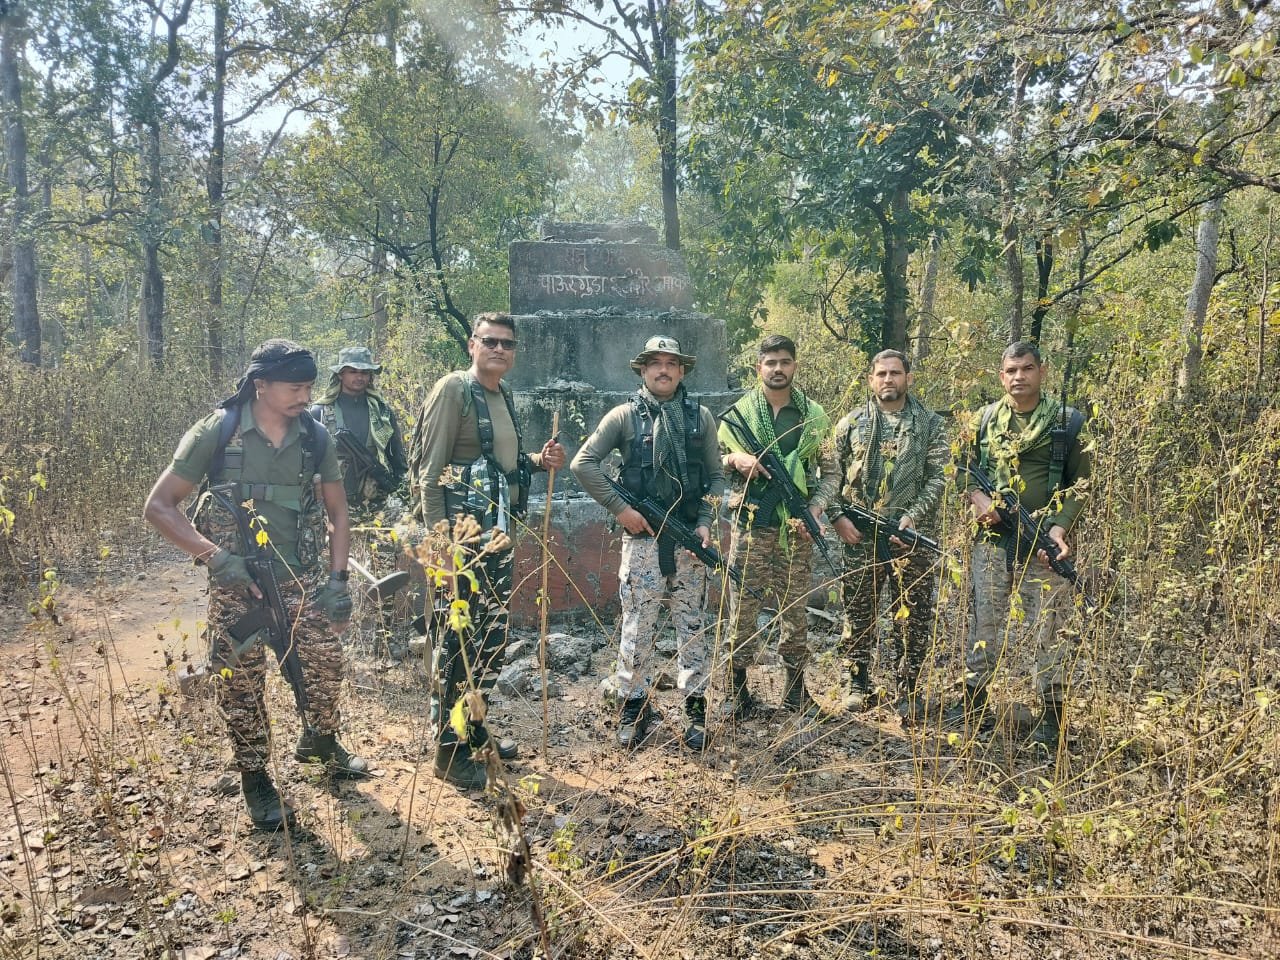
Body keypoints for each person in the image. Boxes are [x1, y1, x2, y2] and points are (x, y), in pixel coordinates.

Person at [144, 339, 369, 833]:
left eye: (309, 386)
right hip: (238, 586)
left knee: (325, 667)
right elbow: (159, 507)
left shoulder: (314, 437)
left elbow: (337, 512)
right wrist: (217, 558)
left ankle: (321, 744)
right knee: (242, 684)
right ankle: (256, 779)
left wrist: (337, 580)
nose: (304, 395)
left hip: (300, 579)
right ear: (260, 385)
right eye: (294, 386)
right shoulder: (217, 433)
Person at [407, 313, 565, 789]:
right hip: (461, 542)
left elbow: (505, 465)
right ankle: (449, 752)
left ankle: (473, 729)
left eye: (507, 344)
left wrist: (540, 461)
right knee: (458, 644)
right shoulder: (454, 390)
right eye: (490, 341)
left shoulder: (501, 394)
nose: (499, 350)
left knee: (489, 642)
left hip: (495, 537)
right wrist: (441, 550)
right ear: (472, 345)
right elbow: (429, 476)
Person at [571, 335, 725, 751]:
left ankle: (694, 711)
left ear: (681, 370)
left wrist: (707, 521)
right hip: (641, 543)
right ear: (642, 370)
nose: (663, 369)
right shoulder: (624, 416)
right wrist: (621, 509)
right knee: (637, 628)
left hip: (690, 540)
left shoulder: (701, 418)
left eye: (671, 363)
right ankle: (633, 707)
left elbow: (716, 477)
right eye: (654, 363)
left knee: (691, 628)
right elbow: (583, 464)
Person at [944, 340, 1092, 753]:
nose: (1019, 377)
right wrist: (980, 501)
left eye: (1027, 369)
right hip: (993, 539)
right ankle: (974, 706)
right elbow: (961, 469)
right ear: (1001, 375)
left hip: (1043, 543)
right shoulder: (983, 420)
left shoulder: (1068, 421)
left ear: (1041, 372)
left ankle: (1051, 717)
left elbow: (1081, 484)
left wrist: (1060, 528)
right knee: (985, 625)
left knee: (1048, 628)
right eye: (1011, 371)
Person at [718, 335, 838, 738]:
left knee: (795, 606)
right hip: (751, 523)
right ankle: (736, 689)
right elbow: (712, 462)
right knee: (743, 607)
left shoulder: (815, 416)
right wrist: (735, 459)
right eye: (770, 362)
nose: (777, 369)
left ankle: (795, 690)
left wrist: (815, 509)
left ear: (795, 366)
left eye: (785, 362)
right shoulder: (738, 414)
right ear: (759, 367)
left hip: (796, 527)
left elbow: (831, 473)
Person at [831, 349, 948, 724]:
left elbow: (938, 477)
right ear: (871, 379)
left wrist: (912, 518)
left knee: (913, 616)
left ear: (908, 378)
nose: (888, 380)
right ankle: (857, 681)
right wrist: (837, 519)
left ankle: (908, 687)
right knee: (858, 610)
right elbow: (830, 478)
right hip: (860, 536)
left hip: (910, 537)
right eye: (881, 373)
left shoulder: (930, 424)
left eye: (895, 373)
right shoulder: (850, 423)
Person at [310, 346, 408, 517]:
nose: (359, 376)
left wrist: (403, 492)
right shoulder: (320, 412)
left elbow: (397, 458)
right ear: (340, 374)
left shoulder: (382, 412)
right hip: (332, 504)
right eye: (352, 371)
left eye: (364, 372)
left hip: (377, 503)